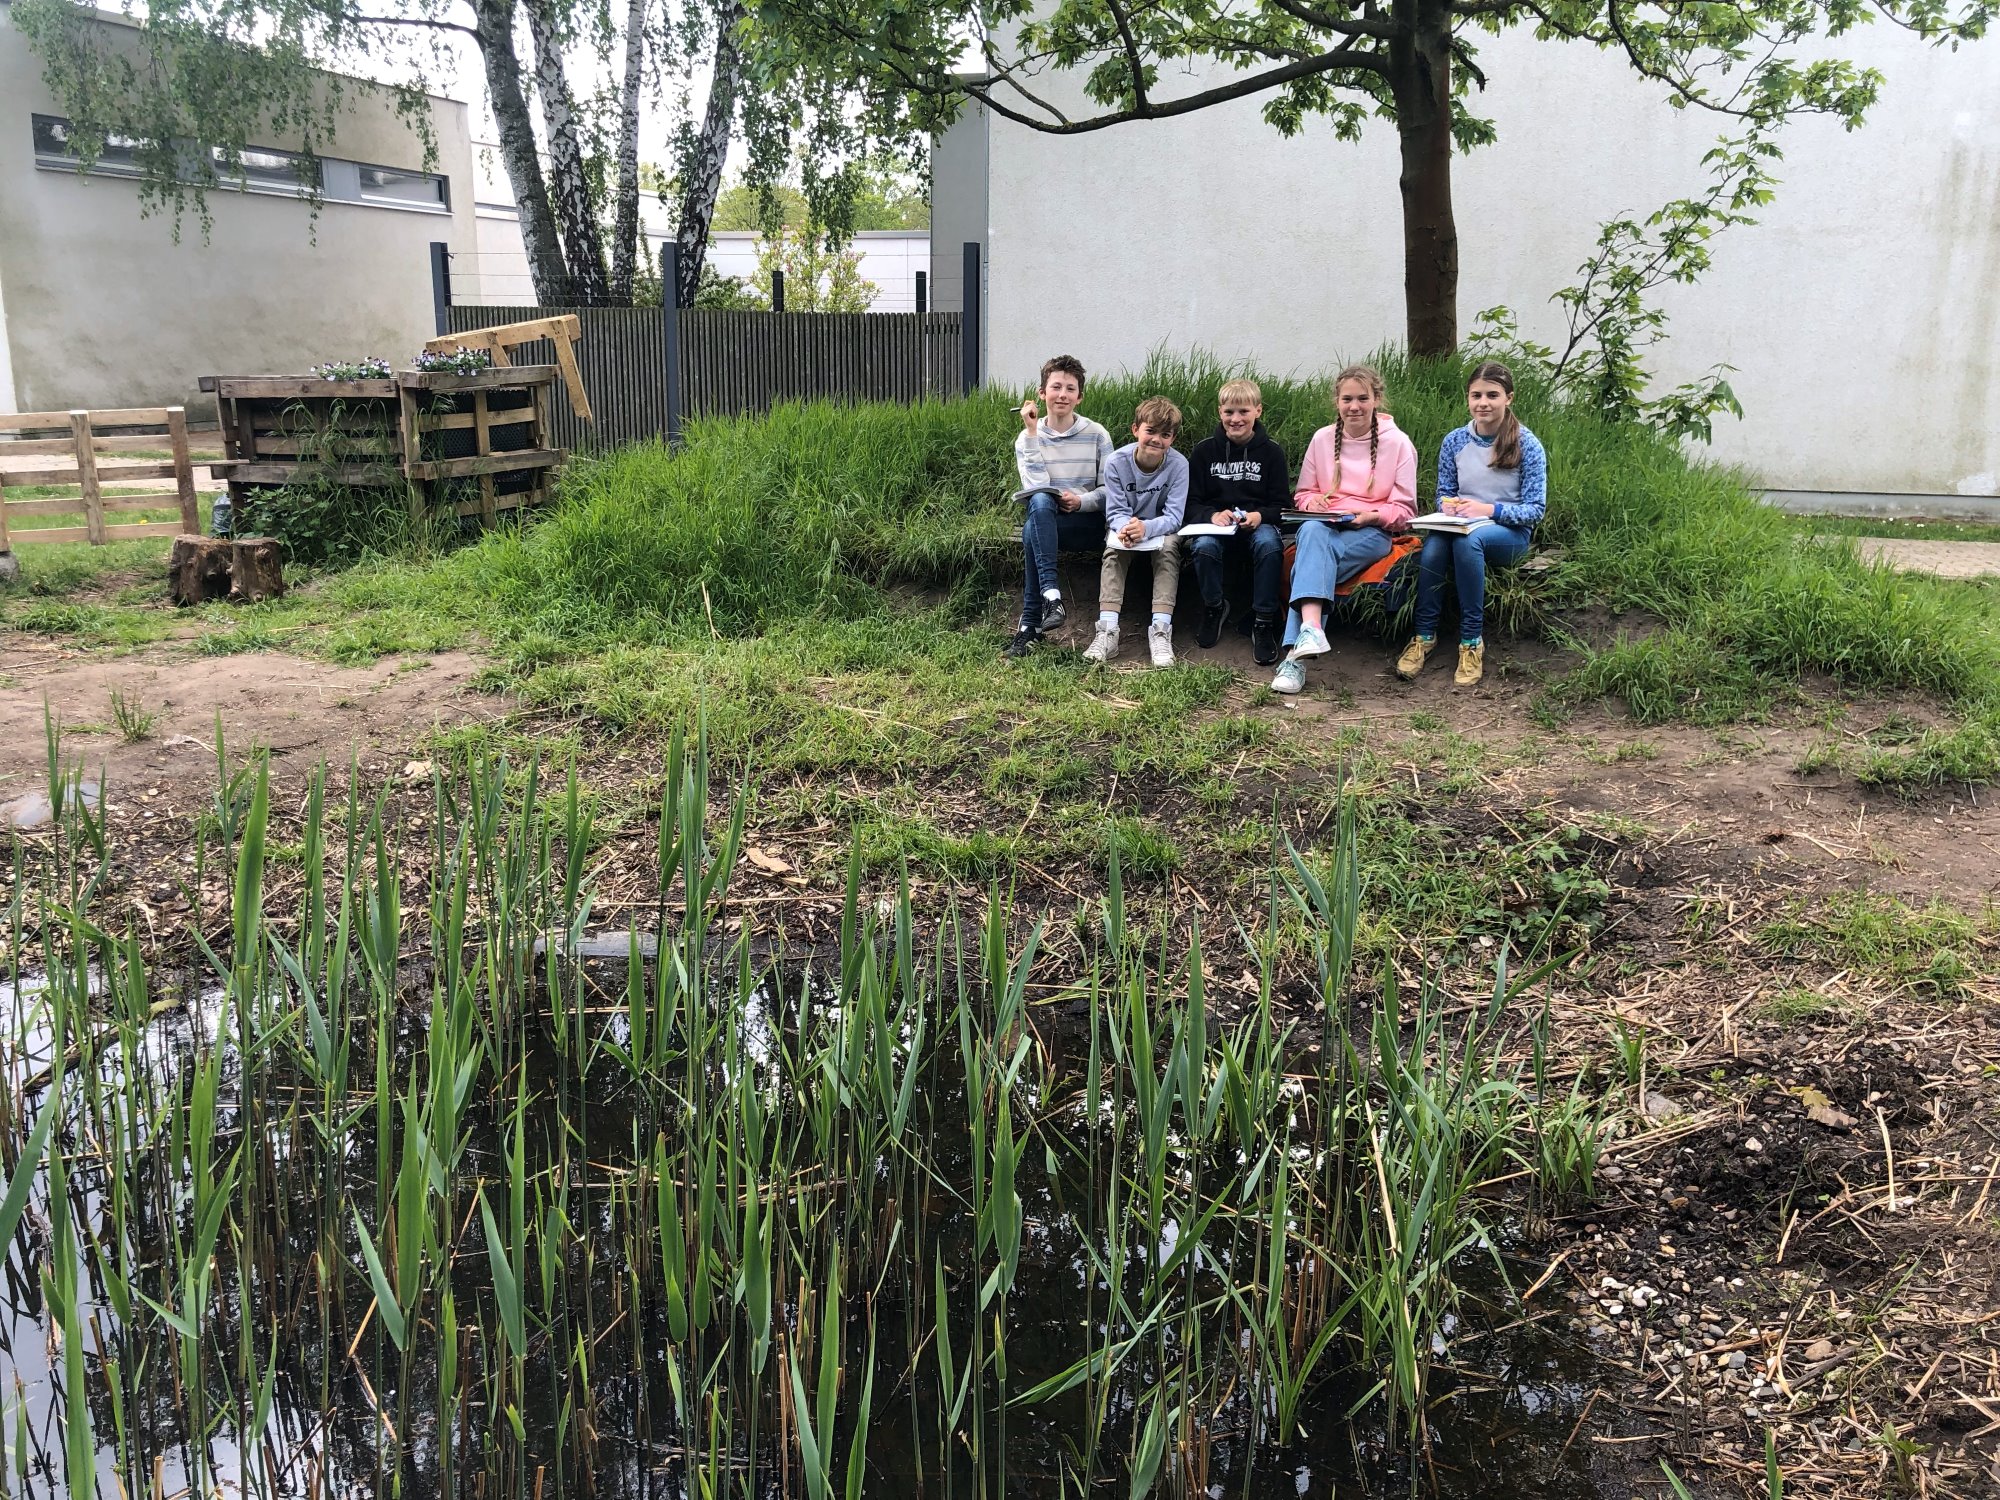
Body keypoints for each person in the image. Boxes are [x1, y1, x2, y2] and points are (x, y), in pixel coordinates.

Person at [1396, 360, 1547, 688]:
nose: (1483, 403)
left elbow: (1535, 510)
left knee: (1469, 543)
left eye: (1492, 395)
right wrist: (1448, 506)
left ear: (1509, 398)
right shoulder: (1454, 440)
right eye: (1476, 395)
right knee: (1433, 548)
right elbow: (1443, 493)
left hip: (1508, 534)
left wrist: (1488, 510)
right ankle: (1423, 636)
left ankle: (1471, 641)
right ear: (1467, 398)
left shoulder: (1527, 444)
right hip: (1460, 525)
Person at [1270, 365, 1417, 695]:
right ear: (1337, 401)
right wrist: (1313, 503)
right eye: (1347, 399)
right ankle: (1307, 636)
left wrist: (1369, 515)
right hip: (1324, 526)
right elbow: (1304, 494)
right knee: (1311, 532)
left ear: (1376, 399)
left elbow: (1405, 512)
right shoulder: (1322, 439)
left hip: (1371, 532)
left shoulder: (1399, 443)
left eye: (1363, 398)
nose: (1354, 406)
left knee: (1310, 562)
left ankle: (1297, 654)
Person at [1004, 354, 1116, 659]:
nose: (1062, 395)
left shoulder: (1097, 434)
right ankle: (1051, 600)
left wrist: (1081, 502)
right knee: (1039, 504)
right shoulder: (1027, 438)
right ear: (1042, 393)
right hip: (1048, 522)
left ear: (1079, 397)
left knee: (1032, 530)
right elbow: (1034, 485)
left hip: (1087, 524)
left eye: (1070, 389)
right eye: (1056, 387)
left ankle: (1032, 622)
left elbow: (1111, 491)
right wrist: (1031, 433)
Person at [1184, 379, 1290, 664]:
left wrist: (1260, 516)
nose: (1236, 419)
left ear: (1258, 411)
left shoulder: (1272, 452)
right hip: (1217, 526)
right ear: (1220, 412)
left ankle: (1263, 619)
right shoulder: (1204, 452)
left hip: (1257, 524)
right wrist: (1212, 515)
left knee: (1269, 545)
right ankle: (1214, 607)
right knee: (1203, 546)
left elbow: (1282, 506)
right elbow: (1190, 503)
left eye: (1243, 411)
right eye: (1229, 412)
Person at [1084, 396, 1189, 668]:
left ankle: (1161, 630)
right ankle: (1107, 630)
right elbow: (1115, 511)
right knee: (1114, 552)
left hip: (1161, 528)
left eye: (1165, 435)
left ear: (1173, 439)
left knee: (1169, 550)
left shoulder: (1179, 465)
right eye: (1150, 431)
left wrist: (1146, 528)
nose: (1156, 440)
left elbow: (1174, 517)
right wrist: (1127, 529)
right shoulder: (1117, 462)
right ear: (1135, 430)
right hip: (1127, 529)